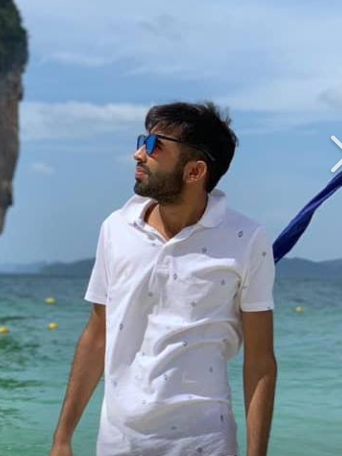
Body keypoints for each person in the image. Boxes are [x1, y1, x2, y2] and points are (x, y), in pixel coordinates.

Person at [49, 101, 277, 456]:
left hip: (206, 443)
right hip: (118, 443)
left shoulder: (247, 239)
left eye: (155, 145)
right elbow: (97, 336)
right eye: (143, 140)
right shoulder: (116, 229)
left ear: (195, 171)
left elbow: (260, 361)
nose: (138, 154)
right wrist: (63, 438)